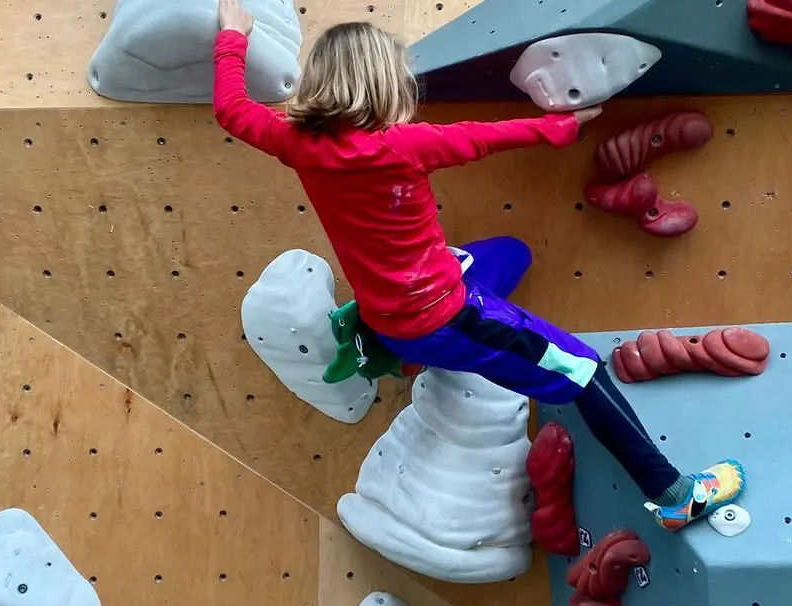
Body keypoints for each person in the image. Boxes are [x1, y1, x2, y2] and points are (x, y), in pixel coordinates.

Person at [212, 0, 745, 532]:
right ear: (383, 84)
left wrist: (233, 36)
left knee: (509, 253)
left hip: (392, 315)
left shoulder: (296, 143)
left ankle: (418, 354)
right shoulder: (404, 145)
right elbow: (484, 137)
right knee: (580, 370)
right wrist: (561, 128)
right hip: (445, 318)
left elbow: (231, 109)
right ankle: (674, 494)